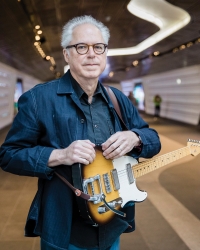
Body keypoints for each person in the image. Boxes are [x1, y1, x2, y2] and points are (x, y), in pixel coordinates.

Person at [0, 15, 161, 250]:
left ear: (105, 53)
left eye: (98, 47)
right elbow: (8, 155)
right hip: (64, 231)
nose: (91, 54)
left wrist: (135, 137)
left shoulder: (117, 100)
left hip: (110, 225)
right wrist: (61, 155)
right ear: (67, 54)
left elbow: (153, 140)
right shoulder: (38, 99)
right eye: (81, 47)